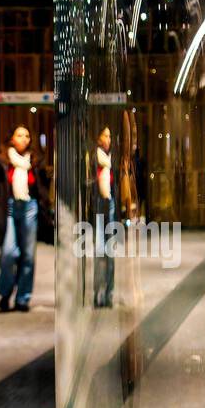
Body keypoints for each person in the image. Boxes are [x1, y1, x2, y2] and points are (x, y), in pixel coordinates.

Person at [0, 125, 47, 312]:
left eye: (27, 135)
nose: (24, 139)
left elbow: (42, 187)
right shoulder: (1, 161)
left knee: (28, 256)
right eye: (19, 135)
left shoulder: (36, 161)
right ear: (12, 139)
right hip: (9, 208)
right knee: (8, 253)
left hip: (30, 207)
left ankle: (23, 298)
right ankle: (5, 293)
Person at [93, 126, 115, 308]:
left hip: (110, 203)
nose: (108, 139)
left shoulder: (112, 159)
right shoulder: (94, 158)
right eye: (105, 135)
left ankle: (109, 293)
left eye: (110, 136)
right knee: (99, 251)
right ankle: (97, 294)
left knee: (110, 252)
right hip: (98, 203)